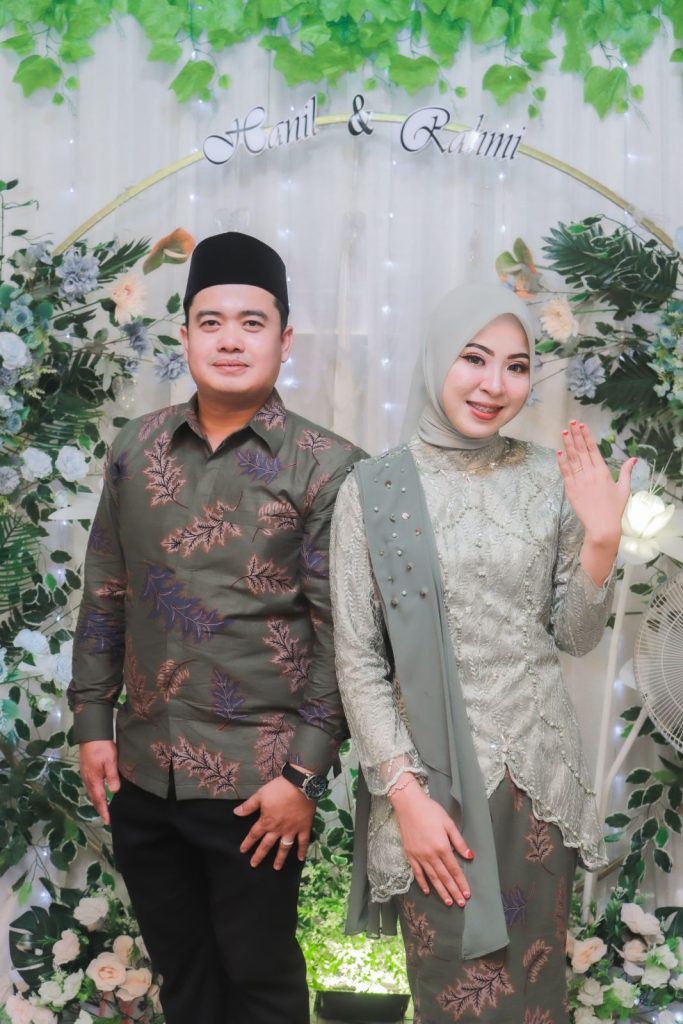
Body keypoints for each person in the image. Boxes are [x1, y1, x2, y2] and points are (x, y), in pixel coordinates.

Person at [68, 231, 364, 1024]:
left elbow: (345, 638)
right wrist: (92, 724)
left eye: (251, 322)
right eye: (211, 321)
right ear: (185, 335)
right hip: (141, 767)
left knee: (260, 981)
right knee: (184, 980)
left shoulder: (328, 466)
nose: (230, 339)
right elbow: (106, 590)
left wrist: (301, 779)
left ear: (284, 339)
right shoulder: (135, 449)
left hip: (256, 787)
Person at [330, 283, 635, 1023]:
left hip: (537, 778)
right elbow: (358, 660)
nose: (494, 384)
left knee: (535, 998)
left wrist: (601, 541)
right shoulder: (374, 489)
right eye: (473, 358)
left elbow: (574, 636)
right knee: (454, 995)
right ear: (438, 357)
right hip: (430, 790)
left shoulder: (550, 479)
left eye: (516, 366)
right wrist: (406, 799)